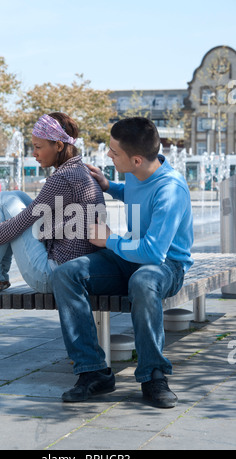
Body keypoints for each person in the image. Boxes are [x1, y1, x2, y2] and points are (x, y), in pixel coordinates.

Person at [51, 116, 194, 408]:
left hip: (166, 266)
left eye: (114, 152)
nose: (108, 155)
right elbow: (134, 193)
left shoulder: (171, 190)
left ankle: (153, 374)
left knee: (143, 281)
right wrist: (109, 186)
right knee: (66, 274)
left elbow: (154, 252)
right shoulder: (136, 172)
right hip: (130, 256)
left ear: (137, 159)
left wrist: (110, 239)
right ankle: (93, 372)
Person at [0, 112, 105, 306]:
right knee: (15, 197)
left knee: (5, 200)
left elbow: (19, 224)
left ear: (59, 146)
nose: (33, 153)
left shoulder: (62, 179)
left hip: (55, 276)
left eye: (38, 147)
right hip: (78, 270)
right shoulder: (79, 171)